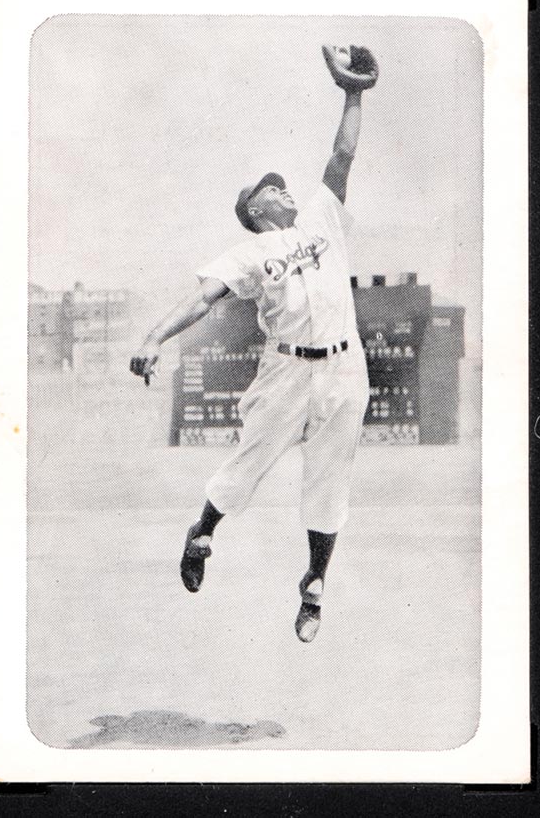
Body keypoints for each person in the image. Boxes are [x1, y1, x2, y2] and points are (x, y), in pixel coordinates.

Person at [130, 45, 378, 642]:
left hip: (345, 368)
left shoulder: (320, 218)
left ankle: (314, 586)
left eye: (282, 187)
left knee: (329, 481)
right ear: (253, 209)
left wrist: (354, 93)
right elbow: (202, 299)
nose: (284, 191)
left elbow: (342, 153)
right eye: (272, 190)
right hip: (286, 373)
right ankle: (202, 531)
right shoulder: (248, 252)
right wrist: (154, 336)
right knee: (248, 466)